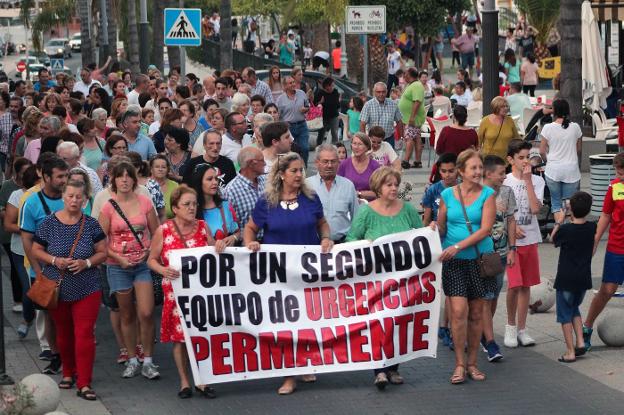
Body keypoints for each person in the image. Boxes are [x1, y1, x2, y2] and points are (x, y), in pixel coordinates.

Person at [244, 151, 331, 395]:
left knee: (307, 321)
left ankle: (305, 363)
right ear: (281, 174)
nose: (298, 174)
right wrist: (250, 243)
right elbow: (250, 228)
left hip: (308, 272)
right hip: (278, 274)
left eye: (301, 170)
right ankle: (288, 375)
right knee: (285, 324)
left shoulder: (310, 198)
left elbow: (321, 223)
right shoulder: (266, 202)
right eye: (293, 170)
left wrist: (325, 238)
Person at [346, 166, 422, 388]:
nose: (394, 188)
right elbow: (351, 238)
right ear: (378, 187)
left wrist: (431, 229)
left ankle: (394, 368)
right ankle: (379, 370)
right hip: (375, 279)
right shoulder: (367, 211)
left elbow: (420, 234)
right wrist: (365, 247)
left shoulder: (407, 209)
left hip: (404, 279)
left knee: (399, 322)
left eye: (395, 184)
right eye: (389, 184)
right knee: (379, 323)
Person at [31, 179, 107, 401]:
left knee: (84, 333)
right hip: (57, 287)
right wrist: (55, 260)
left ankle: (84, 382)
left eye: (79, 197)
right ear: (63, 197)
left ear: (85, 200)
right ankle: (67, 372)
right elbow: (36, 249)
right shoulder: (48, 223)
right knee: (63, 333)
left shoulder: (92, 224)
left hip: (87, 287)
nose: (74, 200)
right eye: (70, 195)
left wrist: (87, 263)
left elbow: (103, 251)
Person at [147, 185, 217, 399]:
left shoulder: (204, 227)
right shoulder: (164, 230)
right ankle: (184, 381)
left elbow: (214, 252)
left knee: (201, 336)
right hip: (176, 292)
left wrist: (222, 244)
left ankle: (202, 380)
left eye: (194, 204)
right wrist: (162, 269)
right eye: (186, 204)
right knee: (180, 339)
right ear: (175, 208)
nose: (192, 208)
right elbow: (151, 260)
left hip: (201, 293)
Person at [434, 149, 496, 384]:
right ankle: (460, 363)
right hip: (454, 262)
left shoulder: (487, 194)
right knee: (458, 312)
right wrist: (431, 229)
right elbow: (441, 226)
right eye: (473, 168)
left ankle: (473, 363)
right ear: (461, 171)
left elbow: (485, 229)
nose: (478, 172)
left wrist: (458, 246)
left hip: (479, 260)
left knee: (477, 312)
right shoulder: (448, 194)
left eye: (480, 167)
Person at [98, 161, 160, 380]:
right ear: (113, 180)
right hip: (118, 267)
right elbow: (100, 241)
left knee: (146, 312)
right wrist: (118, 258)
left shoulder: (144, 202)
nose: (124, 180)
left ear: (134, 179)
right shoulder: (108, 206)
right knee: (126, 314)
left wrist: (148, 253)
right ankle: (132, 358)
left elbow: (157, 232)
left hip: (142, 265)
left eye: (128, 176)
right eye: (119, 176)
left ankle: (149, 361)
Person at [503, 139, 544, 348]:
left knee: (526, 284)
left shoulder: (537, 181)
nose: (525, 161)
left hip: (530, 238)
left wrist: (528, 180)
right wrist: (511, 228)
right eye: (521, 158)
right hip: (511, 242)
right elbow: (499, 210)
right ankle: (510, 326)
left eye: (528, 157)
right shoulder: (505, 181)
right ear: (510, 159)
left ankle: (522, 328)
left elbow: (536, 209)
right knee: (514, 284)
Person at [582, 153, 624, 350]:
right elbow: (606, 215)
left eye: (623, 173)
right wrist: (595, 240)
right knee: (608, 289)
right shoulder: (614, 187)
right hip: (617, 246)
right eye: (618, 172)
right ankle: (587, 327)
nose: (620, 177)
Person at [550, 191, 595, 363]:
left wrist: (559, 221)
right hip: (583, 278)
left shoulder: (566, 230)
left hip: (566, 279)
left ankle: (570, 351)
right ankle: (581, 342)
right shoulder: (592, 227)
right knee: (574, 308)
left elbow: (553, 239)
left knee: (564, 315)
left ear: (571, 210)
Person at [481, 155, 517, 362]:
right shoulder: (478, 193)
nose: (504, 177)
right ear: (488, 173)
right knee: (485, 297)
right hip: (483, 254)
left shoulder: (507, 192)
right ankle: (490, 341)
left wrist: (512, 248)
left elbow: (511, 220)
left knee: (493, 296)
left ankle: (483, 333)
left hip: (501, 253)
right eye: (501, 173)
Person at [5, 161, 37, 337]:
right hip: (20, 250)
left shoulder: (48, 196)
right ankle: (27, 319)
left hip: (43, 251)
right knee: (28, 289)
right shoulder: (17, 196)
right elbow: (8, 224)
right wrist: (30, 228)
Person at [539, 99, 582, 229]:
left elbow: (541, 151)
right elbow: (578, 150)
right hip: (571, 170)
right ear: (568, 111)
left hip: (553, 170)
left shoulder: (547, 128)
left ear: (554, 111)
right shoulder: (575, 127)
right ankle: (568, 230)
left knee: (556, 203)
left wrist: (548, 161)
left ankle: (558, 229)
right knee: (569, 204)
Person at [306, 144, 359, 243]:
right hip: (315, 245)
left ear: (338, 163)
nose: (329, 165)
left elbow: (356, 218)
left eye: (333, 161)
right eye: (325, 161)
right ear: (317, 163)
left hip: (343, 245)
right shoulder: (306, 186)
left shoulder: (348, 185)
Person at [190, 163, 240, 244]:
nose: (215, 182)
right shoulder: (191, 209)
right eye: (209, 179)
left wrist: (234, 237)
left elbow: (238, 232)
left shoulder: (226, 205)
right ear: (199, 182)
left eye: (216, 179)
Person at [223, 147, 266, 231]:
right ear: (251, 163)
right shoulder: (231, 191)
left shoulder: (267, 181)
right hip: (248, 242)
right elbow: (230, 226)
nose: (265, 163)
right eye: (262, 160)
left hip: (271, 241)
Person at [276, 77, 310, 166]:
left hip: (302, 125)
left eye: (293, 82)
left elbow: (308, 106)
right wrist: (282, 124)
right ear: (285, 86)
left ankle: (303, 168)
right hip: (289, 127)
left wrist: (305, 109)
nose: (293, 84)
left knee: (305, 148)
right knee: (290, 150)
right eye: (290, 83)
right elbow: (277, 115)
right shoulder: (280, 99)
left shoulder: (301, 93)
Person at [338, 133, 380, 201]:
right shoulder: (344, 164)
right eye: (354, 143)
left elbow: (379, 192)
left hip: (369, 206)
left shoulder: (375, 166)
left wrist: (359, 194)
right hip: (348, 203)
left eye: (360, 144)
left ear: (367, 147)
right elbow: (337, 187)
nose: (356, 147)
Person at [359, 82, 403, 148]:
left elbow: (399, 121)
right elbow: (362, 124)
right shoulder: (368, 105)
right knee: (373, 158)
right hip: (373, 141)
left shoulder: (393, 104)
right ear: (374, 92)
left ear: (387, 92)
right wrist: (365, 140)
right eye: (378, 92)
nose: (381, 94)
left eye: (383, 92)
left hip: (389, 139)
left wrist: (401, 137)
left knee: (389, 158)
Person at [398, 68, 425, 168]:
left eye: (405, 73)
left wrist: (412, 117)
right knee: (417, 138)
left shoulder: (417, 85)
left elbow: (417, 101)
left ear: (409, 74)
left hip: (413, 118)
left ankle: (406, 161)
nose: (404, 75)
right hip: (411, 117)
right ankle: (418, 161)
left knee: (409, 138)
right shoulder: (412, 85)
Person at [422, 153, 458, 226]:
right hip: (438, 232)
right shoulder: (432, 190)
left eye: (451, 171)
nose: (447, 175)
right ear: (439, 170)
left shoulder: (465, 188)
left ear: (458, 169)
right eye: (444, 171)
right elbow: (426, 220)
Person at [149, 154, 179, 219]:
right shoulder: (145, 186)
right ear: (151, 169)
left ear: (167, 169)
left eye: (163, 167)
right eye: (157, 167)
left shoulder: (175, 186)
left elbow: (180, 209)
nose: (160, 169)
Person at [314, 77, 341, 146]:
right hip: (323, 117)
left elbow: (338, 105)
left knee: (334, 133)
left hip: (334, 116)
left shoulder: (335, 92)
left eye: (333, 85)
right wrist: (320, 102)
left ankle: (335, 148)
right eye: (331, 85)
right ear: (326, 86)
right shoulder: (320, 93)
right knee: (321, 133)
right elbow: (314, 104)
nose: (332, 87)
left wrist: (339, 114)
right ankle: (318, 147)